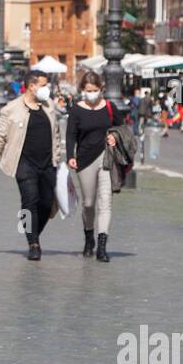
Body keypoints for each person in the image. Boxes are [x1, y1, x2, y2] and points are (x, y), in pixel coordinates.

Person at [0, 69, 62, 261]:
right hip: (23, 163)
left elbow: (56, 135)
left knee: (46, 203)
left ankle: (33, 231)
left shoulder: (48, 105)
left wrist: (58, 159)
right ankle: (33, 243)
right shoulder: (11, 109)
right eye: (43, 85)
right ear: (32, 86)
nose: (47, 89)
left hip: (48, 162)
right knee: (29, 201)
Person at [66, 72, 119, 261]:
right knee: (89, 203)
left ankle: (102, 246)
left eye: (96, 90)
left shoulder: (110, 107)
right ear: (82, 90)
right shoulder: (76, 110)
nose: (92, 94)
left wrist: (115, 137)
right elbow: (70, 134)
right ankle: (89, 237)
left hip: (106, 157)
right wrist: (70, 156)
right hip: (84, 159)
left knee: (105, 202)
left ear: (101, 89)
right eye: (89, 91)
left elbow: (121, 128)